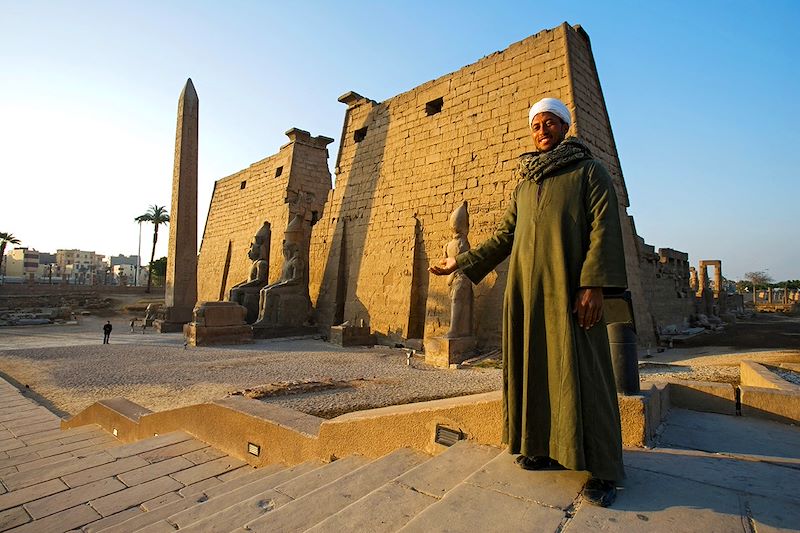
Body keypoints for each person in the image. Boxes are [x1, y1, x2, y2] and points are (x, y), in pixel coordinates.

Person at [429, 97, 627, 507]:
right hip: (528, 295)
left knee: (585, 374)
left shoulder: (589, 171)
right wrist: (459, 262)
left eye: (550, 123)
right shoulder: (525, 185)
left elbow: (604, 229)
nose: (542, 131)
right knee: (535, 369)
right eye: (536, 125)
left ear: (565, 127)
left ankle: (603, 469)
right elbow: (506, 236)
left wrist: (592, 285)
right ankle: (544, 447)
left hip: (570, 291)